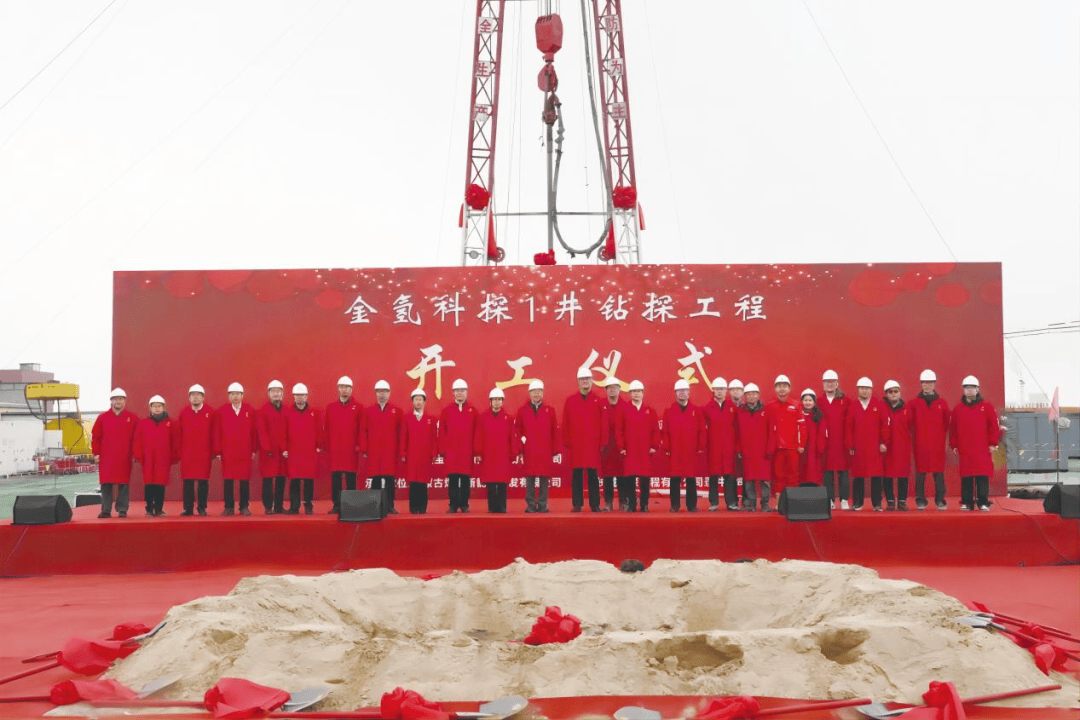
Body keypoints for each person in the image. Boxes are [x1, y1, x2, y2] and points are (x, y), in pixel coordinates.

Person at [949, 375, 1000, 511]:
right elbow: (953, 428)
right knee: (966, 476)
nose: (970, 390)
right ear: (963, 390)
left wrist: (993, 443)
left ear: (977, 389)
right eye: (967, 387)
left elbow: (994, 426)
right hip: (965, 448)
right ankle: (967, 502)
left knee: (982, 476)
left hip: (982, 448)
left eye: (972, 387)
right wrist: (954, 444)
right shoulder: (958, 409)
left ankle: (982, 502)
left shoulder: (987, 407)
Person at [562, 368, 606, 512]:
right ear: (578, 381)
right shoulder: (571, 401)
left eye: (587, 378)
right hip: (577, 444)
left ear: (591, 381)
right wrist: (567, 441)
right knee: (577, 475)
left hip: (593, 444)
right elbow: (566, 422)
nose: (585, 381)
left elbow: (603, 423)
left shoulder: (598, 401)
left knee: (593, 475)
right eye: (582, 379)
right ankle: (577, 504)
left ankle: (595, 504)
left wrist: (603, 442)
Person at [91, 388, 138, 518]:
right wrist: (96, 453)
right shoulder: (102, 418)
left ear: (125, 401)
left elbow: (137, 438)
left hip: (125, 456)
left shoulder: (132, 418)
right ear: (111, 401)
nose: (118, 401)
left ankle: (122, 509)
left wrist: (136, 453)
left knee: (124, 484)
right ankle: (106, 510)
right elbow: (96, 437)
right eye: (116, 399)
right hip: (106, 456)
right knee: (106, 484)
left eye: (121, 399)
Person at [515, 379, 560, 513]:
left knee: (544, 477)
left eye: (539, 391)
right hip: (529, 449)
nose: (536, 394)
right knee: (530, 477)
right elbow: (517, 430)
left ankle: (542, 504)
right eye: (534, 391)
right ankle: (530, 504)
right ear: (529, 393)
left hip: (545, 449)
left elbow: (554, 432)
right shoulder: (522, 411)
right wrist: (521, 444)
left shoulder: (549, 410)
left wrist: (555, 450)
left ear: (543, 393)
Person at [845, 377, 889, 511]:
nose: (864, 391)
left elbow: (885, 425)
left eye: (867, 388)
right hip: (858, 447)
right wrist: (850, 445)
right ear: (858, 390)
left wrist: (883, 442)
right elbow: (848, 427)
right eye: (862, 388)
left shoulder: (879, 405)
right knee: (858, 475)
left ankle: (877, 504)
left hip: (875, 446)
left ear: (871, 390)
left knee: (876, 475)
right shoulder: (853, 406)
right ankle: (858, 503)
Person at [213, 382, 257, 516]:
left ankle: (244, 506)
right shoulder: (221, 411)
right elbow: (217, 432)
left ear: (242, 395)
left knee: (244, 480)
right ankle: (228, 507)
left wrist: (254, 450)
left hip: (245, 450)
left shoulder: (250, 410)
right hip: (228, 451)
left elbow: (254, 432)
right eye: (232, 394)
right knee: (228, 479)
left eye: (238, 393)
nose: (235, 396)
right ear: (229, 396)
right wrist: (217, 451)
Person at [474, 388, 520, 513]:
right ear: (490, 401)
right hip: (488, 454)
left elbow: (513, 437)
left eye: (499, 399)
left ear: (502, 401)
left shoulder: (508, 418)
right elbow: (479, 436)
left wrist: (513, 453)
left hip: (503, 454)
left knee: (502, 482)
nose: (497, 402)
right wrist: (478, 452)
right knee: (490, 482)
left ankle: (502, 506)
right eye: (494, 399)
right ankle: (492, 507)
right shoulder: (483, 417)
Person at [663, 379, 706, 512]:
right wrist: (667, 447)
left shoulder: (696, 411)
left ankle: (691, 506)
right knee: (675, 478)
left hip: (691, 450)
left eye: (685, 390)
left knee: (691, 478)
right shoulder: (669, 411)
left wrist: (700, 446)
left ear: (689, 392)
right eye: (679, 391)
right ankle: (675, 505)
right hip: (675, 450)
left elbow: (702, 431)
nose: (682, 393)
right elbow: (665, 432)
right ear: (675, 393)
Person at [616, 380, 660, 511]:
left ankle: (644, 504)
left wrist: (654, 446)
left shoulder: (649, 410)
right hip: (630, 450)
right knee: (630, 478)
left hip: (645, 451)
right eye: (634, 391)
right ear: (630, 394)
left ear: (643, 393)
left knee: (645, 478)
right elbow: (619, 430)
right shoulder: (624, 410)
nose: (636, 394)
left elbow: (656, 431)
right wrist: (621, 446)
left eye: (639, 391)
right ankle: (632, 505)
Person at [911, 369, 950, 511]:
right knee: (920, 473)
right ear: (921, 384)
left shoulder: (942, 403)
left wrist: (939, 436)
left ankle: (940, 500)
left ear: (934, 384)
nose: (927, 385)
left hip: (937, 444)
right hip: (920, 443)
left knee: (938, 473)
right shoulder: (914, 403)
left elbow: (946, 423)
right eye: (924, 383)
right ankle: (920, 500)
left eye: (930, 383)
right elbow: (910, 423)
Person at [363, 380, 403, 514]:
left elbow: (401, 433)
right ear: (375, 393)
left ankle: (390, 506)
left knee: (389, 479)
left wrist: (400, 450)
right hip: (374, 450)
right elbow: (363, 431)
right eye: (379, 391)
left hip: (390, 451)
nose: (382, 394)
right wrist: (364, 448)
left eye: (385, 391)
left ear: (389, 393)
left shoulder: (397, 411)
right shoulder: (368, 411)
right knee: (375, 479)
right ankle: (374, 506)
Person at [133, 395, 177, 517]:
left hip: (163, 460)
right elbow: (137, 441)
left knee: (160, 485)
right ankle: (149, 509)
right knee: (149, 485)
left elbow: (175, 441)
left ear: (163, 407)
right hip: (148, 460)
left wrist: (173, 458)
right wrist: (139, 457)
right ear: (150, 408)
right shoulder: (143, 423)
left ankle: (158, 509)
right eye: (154, 406)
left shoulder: (171, 423)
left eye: (159, 406)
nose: (157, 408)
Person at [325, 375, 363, 514]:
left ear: (351, 389)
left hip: (351, 449)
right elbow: (327, 428)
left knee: (351, 477)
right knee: (336, 478)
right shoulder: (331, 407)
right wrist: (326, 446)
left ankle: (351, 506)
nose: (344, 389)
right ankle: (337, 505)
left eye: (347, 387)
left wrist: (360, 445)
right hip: (335, 448)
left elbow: (361, 429)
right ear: (338, 389)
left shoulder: (358, 408)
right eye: (342, 387)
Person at [438, 378, 477, 513]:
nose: (460, 393)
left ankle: (464, 504)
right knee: (453, 478)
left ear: (467, 392)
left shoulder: (473, 411)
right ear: (453, 393)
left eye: (462, 390)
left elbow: (477, 432)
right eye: (457, 391)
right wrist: (442, 449)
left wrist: (476, 450)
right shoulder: (446, 411)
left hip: (467, 450)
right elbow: (442, 431)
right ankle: (453, 505)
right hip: (452, 451)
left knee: (465, 478)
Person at [283, 382, 322, 514]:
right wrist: (284, 448)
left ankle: (308, 506)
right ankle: (294, 507)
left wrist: (319, 446)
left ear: (306, 396)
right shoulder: (288, 413)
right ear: (294, 396)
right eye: (297, 395)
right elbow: (283, 432)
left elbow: (319, 430)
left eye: (302, 395)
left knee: (308, 480)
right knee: (294, 480)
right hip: (293, 451)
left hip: (309, 451)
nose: (299, 397)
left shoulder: (314, 413)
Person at [765, 375, 806, 499]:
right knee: (778, 476)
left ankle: (792, 501)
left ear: (789, 388)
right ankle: (779, 502)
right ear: (775, 389)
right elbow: (765, 428)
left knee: (793, 475)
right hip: (777, 448)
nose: (782, 389)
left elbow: (802, 427)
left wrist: (801, 444)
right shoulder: (770, 406)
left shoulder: (796, 405)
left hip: (793, 447)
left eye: (784, 386)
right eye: (779, 386)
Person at [703, 377, 739, 511]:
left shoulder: (732, 407)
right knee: (713, 475)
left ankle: (731, 502)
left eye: (722, 389)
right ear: (713, 390)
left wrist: (737, 446)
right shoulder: (707, 408)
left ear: (726, 391)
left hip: (729, 446)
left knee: (729, 474)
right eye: (717, 389)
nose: (719, 392)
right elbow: (704, 429)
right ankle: (714, 503)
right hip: (714, 447)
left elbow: (737, 427)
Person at [177, 383, 213, 517]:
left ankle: (202, 507)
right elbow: (179, 434)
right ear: (189, 397)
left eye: (198, 395)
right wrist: (179, 452)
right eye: (193, 395)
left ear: (203, 397)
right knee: (188, 481)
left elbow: (214, 433)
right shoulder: (184, 413)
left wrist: (214, 451)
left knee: (203, 481)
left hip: (204, 452)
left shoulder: (210, 412)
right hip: (188, 453)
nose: (195, 397)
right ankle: (188, 508)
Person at [400, 388, 438, 514]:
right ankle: (413, 508)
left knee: (423, 482)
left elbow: (434, 437)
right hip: (411, 454)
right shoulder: (407, 418)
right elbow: (403, 436)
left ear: (424, 402)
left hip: (425, 455)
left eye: (420, 400)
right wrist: (403, 452)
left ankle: (422, 508)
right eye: (416, 399)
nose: (418, 402)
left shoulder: (430, 419)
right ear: (412, 402)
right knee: (413, 482)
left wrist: (434, 453)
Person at [819, 369, 851, 510]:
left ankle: (844, 500)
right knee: (827, 472)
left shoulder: (846, 401)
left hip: (842, 441)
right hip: (826, 442)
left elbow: (851, 423)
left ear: (837, 383)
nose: (829, 384)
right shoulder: (819, 401)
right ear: (823, 384)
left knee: (843, 471)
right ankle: (830, 499)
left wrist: (849, 442)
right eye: (827, 382)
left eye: (832, 382)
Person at [735, 383, 770, 511]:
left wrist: (770, 448)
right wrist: (739, 448)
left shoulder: (766, 411)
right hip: (747, 450)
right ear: (745, 396)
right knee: (749, 478)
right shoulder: (740, 412)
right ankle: (751, 504)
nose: (751, 396)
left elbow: (771, 431)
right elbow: (736, 431)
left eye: (754, 393)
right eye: (748, 394)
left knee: (764, 479)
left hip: (763, 450)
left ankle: (765, 504)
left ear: (758, 395)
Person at [257, 380, 289, 514]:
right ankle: (268, 506)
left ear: (282, 393)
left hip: (282, 451)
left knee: (281, 478)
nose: (276, 394)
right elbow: (261, 431)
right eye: (273, 391)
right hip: (269, 451)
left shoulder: (287, 410)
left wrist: (287, 448)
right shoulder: (262, 411)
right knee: (268, 479)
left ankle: (279, 506)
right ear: (269, 393)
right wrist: (267, 448)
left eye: (278, 391)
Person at [600, 377, 630, 511]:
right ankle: (608, 503)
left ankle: (623, 502)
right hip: (606, 446)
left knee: (622, 476)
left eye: (615, 387)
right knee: (607, 476)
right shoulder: (600, 405)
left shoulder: (625, 406)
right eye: (609, 388)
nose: (612, 390)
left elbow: (629, 428)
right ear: (606, 390)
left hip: (620, 446)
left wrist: (626, 445)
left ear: (619, 390)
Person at [882, 380, 913, 510]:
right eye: (890, 392)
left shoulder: (907, 409)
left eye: (896, 391)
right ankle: (890, 501)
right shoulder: (882, 408)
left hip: (903, 446)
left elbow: (911, 426)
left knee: (903, 474)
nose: (893, 394)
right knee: (887, 474)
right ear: (886, 394)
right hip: (887, 447)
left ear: (899, 393)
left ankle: (901, 501)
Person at [798, 389, 827, 485]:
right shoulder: (798, 414)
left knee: (813, 470)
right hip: (801, 449)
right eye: (805, 400)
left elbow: (822, 432)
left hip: (814, 449)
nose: (808, 402)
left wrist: (820, 447)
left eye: (810, 400)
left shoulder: (818, 416)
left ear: (814, 402)